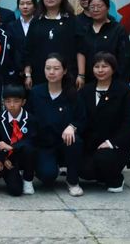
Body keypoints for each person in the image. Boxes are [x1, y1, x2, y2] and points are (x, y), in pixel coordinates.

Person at [27, 53, 85, 196]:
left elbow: (82, 118)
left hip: (65, 142)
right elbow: (28, 119)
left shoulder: (72, 93)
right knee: (47, 176)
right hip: (44, 145)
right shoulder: (36, 93)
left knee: (75, 141)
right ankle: (50, 167)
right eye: (48, 68)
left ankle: (72, 181)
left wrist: (72, 126)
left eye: (56, 68)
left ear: (64, 71)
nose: (51, 72)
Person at [79, 52, 130, 192]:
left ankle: (116, 180)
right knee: (83, 170)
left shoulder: (123, 90)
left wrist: (112, 142)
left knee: (104, 158)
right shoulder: (86, 90)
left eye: (104, 66)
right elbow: (80, 117)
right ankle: (102, 174)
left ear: (113, 68)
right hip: (93, 143)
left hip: (117, 143)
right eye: (96, 66)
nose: (100, 70)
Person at [23, 0, 85, 90]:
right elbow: (28, 49)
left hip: (68, 74)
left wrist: (81, 74)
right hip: (40, 75)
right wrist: (28, 74)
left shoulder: (72, 20)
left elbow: (80, 49)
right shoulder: (36, 21)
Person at [77, 0, 130, 84]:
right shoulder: (85, 30)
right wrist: (81, 75)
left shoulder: (118, 30)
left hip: (113, 81)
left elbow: (124, 59)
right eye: (92, 7)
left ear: (108, 8)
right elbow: (81, 52)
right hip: (89, 81)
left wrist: (121, 82)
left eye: (99, 6)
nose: (95, 9)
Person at [0, 84, 37, 196]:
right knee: (16, 191)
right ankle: (12, 175)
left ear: (23, 102)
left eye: (16, 101)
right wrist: (2, 159)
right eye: (8, 101)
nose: (12, 105)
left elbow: (31, 141)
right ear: (4, 102)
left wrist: (12, 147)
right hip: (7, 158)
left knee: (29, 149)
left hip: (24, 156)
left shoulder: (30, 119)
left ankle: (28, 180)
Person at [7, 0, 37, 82]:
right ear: (18, 7)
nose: (25, 6)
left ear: (34, 6)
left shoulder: (40, 24)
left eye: (28, 3)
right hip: (18, 71)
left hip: (38, 68)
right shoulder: (11, 26)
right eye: (22, 4)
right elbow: (12, 49)